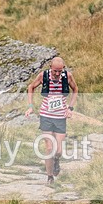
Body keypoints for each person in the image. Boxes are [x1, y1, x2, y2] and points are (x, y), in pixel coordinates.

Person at [24, 57, 79, 186]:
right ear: (50, 68)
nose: (57, 73)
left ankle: (56, 160)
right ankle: (50, 177)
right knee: (49, 148)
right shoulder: (43, 76)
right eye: (55, 71)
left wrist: (70, 108)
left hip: (60, 117)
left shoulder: (67, 76)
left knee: (58, 151)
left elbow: (75, 89)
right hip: (46, 115)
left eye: (60, 71)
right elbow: (31, 87)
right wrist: (30, 106)